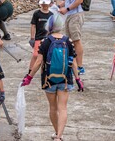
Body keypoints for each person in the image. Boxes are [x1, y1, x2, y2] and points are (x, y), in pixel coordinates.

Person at [21, 9, 84, 141]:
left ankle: (57, 133)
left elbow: (38, 62)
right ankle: (59, 136)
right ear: (60, 25)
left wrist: (29, 77)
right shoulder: (68, 41)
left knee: (53, 108)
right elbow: (73, 63)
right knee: (63, 108)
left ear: (48, 26)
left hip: (48, 79)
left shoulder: (45, 42)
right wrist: (78, 79)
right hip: (65, 79)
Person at [56, 0, 85, 75]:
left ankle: (80, 66)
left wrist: (67, 8)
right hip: (70, 14)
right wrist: (61, 5)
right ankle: (73, 64)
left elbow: (80, 0)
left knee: (76, 40)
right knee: (69, 40)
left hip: (76, 15)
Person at [29, 0, 54, 71]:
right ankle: (31, 70)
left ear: (49, 4)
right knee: (36, 55)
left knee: (46, 55)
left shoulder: (51, 14)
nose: (44, 5)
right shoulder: (37, 13)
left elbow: (52, 28)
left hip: (47, 38)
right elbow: (33, 25)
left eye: (46, 4)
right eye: (43, 4)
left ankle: (44, 70)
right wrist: (32, 38)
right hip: (38, 38)